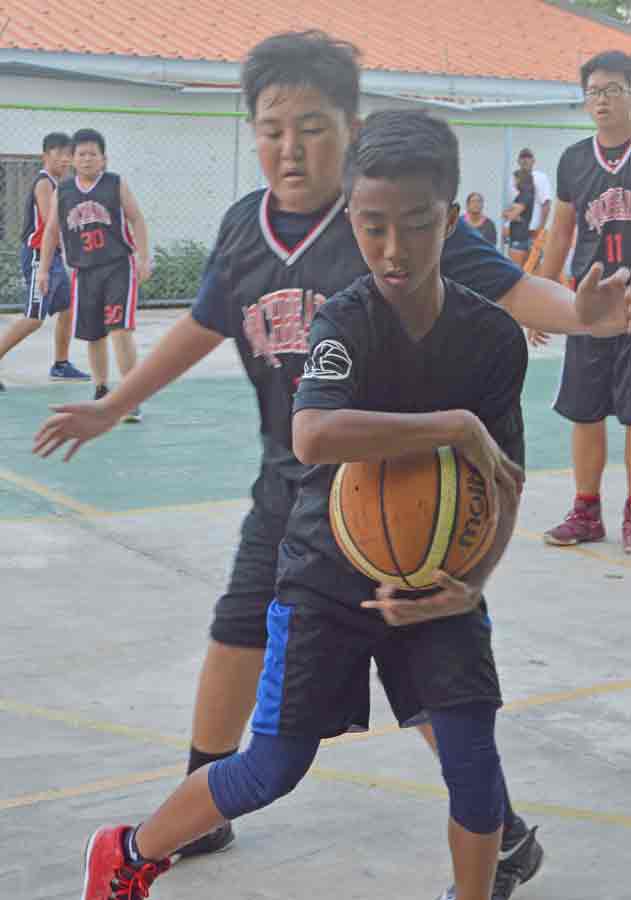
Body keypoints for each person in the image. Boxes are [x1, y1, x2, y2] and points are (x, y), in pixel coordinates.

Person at [32, 30, 631, 900]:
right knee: (246, 660)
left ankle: (493, 830)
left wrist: (583, 316)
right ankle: (189, 815)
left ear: (347, 129)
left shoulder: (397, 208)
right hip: (296, 498)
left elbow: (508, 292)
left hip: (401, 497)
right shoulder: (250, 229)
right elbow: (202, 325)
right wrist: (114, 402)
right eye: (272, 129)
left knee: (440, 690)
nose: (290, 148)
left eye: (310, 128)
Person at [541, 50, 631, 554]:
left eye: (612, 89)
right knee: (584, 411)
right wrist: (540, 295)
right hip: (589, 308)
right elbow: (560, 234)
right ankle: (586, 510)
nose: (601, 100)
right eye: (593, 92)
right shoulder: (574, 160)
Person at [36, 128, 151, 422]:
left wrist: (143, 257)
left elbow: (136, 218)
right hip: (83, 271)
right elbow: (51, 232)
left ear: (104, 159)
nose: (87, 159)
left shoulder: (115, 184)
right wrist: (44, 270)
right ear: (73, 159)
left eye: (93, 154)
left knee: (119, 329)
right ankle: (101, 390)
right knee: (93, 334)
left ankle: (130, 396)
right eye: (81, 154)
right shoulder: (64, 191)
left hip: (117, 266)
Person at [0, 132, 89, 392]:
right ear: (45, 156)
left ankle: (60, 364)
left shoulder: (59, 184)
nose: (65, 159)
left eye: (68, 154)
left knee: (67, 308)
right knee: (34, 318)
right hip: (40, 256)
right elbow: (52, 221)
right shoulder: (44, 183)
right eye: (59, 154)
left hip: (54, 257)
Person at [510, 148, 552, 239]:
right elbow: (511, 205)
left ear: (533, 161)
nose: (525, 160)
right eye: (522, 157)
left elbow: (546, 204)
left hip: (533, 230)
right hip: (516, 230)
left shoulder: (541, 177)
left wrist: (541, 228)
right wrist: (507, 226)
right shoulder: (513, 179)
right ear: (518, 161)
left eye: (528, 157)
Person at [503, 170, 535, 268]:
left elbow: (511, 215)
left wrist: (509, 213)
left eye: (515, 179)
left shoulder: (524, 196)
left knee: (516, 269)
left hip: (519, 237)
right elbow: (512, 214)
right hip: (520, 236)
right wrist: (513, 215)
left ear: (520, 180)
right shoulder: (523, 195)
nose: (513, 182)